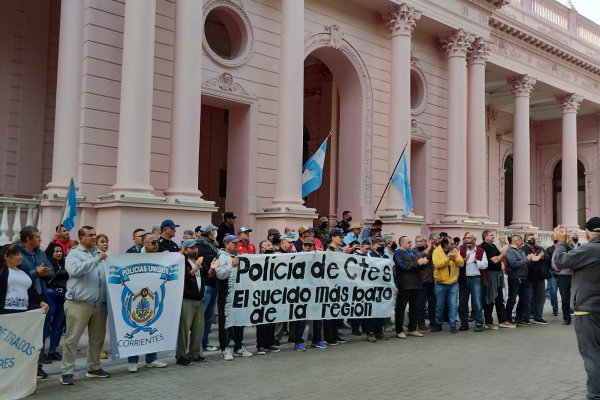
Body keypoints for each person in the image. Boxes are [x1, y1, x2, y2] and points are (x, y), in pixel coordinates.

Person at [553, 219, 600, 400]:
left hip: (587, 311)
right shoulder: (589, 251)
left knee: (592, 357)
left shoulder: (589, 249)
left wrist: (560, 243)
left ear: (587, 234)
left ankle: (595, 395)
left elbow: (560, 261)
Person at [60, 226, 110, 385]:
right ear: (81, 238)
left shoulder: (100, 254)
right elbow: (75, 271)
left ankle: (94, 367)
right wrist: (96, 260)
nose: (94, 237)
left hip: (99, 304)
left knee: (97, 339)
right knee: (72, 340)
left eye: (95, 234)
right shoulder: (74, 254)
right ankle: (66, 372)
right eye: (89, 235)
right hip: (79, 303)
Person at [0, 244, 49, 380]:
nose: (20, 257)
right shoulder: (3, 271)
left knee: (18, 345)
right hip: (6, 314)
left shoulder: (22, 271)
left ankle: (17, 375)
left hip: (23, 314)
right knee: (5, 346)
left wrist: (40, 301)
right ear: (6, 257)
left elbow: (30, 290)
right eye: (16, 255)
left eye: (20, 254)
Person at [127, 233, 167, 372]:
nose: (156, 244)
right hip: (136, 296)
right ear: (145, 244)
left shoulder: (160, 257)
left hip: (152, 296)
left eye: (157, 242)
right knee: (133, 327)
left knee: (153, 325)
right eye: (153, 242)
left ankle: (151, 358)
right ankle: (133, 360)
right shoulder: (133, 255)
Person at [176, 239, 215, 366]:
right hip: (186, 299)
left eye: (196, 247)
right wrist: (196, 267)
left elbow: (206, 276)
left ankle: (194, 353)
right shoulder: (182, 261)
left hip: (199, 299)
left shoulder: (199, 262)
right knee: (184, 329)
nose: (195, 250)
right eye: (192, 248)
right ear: (186, 250)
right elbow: (185, 277)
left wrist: (212, 269)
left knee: (199, 329)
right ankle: (181, 355)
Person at [216, 234, 252, 360]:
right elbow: (220, 275)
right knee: (225, 321)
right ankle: (225, 348)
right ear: (226, 245)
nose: (237, 244)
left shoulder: (238, 255)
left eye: (237, 242)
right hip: (225, 293)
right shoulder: (221, 257)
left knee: (239, 319)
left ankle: (238, 346)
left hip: (238, 292)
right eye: (234, 243)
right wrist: (231, 265)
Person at [479, 230, 514, 329]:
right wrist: (504, 250)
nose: (493, 236)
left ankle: (503, 320)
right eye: (491, 235)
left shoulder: (493, 246)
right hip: (490, 274)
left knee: (499, 298)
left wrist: (504, 246)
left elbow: (500, 257)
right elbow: (496, 260)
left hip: (498, 274)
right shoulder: (484, 246)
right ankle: (488, 321)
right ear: (485, 237)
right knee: (490, 297)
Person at [394, 236, 427, 339]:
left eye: (410, 242)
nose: (411, 244)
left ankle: (412, 329)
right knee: (401, 309)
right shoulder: (398, 253)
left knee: (415, 308)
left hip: (416, 284)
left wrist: (423, 264)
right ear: (402, 243)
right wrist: (418, 263)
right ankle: (399, 330)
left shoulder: (412, 252)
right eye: (408, 242)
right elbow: (403, 266)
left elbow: (416, 266)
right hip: (405, 285)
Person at [506, 235, 542, 326]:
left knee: (525, 299)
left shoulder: (520, 250)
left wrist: (534, 259)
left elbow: (525, 262)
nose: (523, 243)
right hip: (514, 278)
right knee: (512, 300)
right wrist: (527, 259)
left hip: (524, 278)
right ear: (516, 241)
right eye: (521, 241)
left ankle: (519, 318)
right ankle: (507, 319)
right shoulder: (510, 250)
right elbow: (513, 263)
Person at [42, 242, 69, 364]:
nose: (59, 253)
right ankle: (41, 353)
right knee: (47, 324)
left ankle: (53, 351)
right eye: (56, 251)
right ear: (51, 253)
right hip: (50, 294)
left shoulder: (64, 263)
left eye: (60, 251)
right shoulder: (47, 263)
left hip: (62, 295)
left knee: (58, 323)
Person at [431, 237, 464, 333]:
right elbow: (437, 264)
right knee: (439, 305)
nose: (453, 245)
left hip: (453, 283)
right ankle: (438, 324)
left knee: (453, 305)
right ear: (445, 244)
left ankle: (452, 325)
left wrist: (454, 260)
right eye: (451, 243)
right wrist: (447, 259)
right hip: (440, 283)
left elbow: (461, 263)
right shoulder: (437, 251)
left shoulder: (454, 250)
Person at [255, 240, 282, 355]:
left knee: (271, 318)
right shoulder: (257, 260)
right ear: (261, 248)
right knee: (261, 320)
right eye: (267, 246)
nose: (270, 247)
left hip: (273, 292)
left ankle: (270, 343)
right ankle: (261, 345)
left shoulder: (275, 260)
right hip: (261, 293)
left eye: (271, 245)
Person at [458, 232, 488, 332]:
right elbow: (457, 264)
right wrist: (463, 260)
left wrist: (476, 261)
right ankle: (464, 323)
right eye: (465, 238)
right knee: (462, 303)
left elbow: (485, 265)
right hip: (463, 279)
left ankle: (479, 323)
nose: (466, 240)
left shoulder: (481, 250)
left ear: (474, 240)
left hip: (475, 279)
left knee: (477, 302)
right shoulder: (460, 249)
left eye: (469, 238)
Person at [197, 223, 220, 352]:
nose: (215, 232)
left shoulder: (212, 244)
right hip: (207, 284)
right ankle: (198, 343)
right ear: (209, 232)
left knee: (208, 317)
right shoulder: (202, 245)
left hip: (213, 284)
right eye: (213, 230)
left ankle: (205, 343)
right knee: (202, 316)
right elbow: (213, 261)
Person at [522, 233, 548, 324]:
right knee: (528, 298)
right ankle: (525, 317)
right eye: (530, 238)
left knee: (540, 298)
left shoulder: (539, 248)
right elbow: (529, 261)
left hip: (540, 277)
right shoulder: (523, 249)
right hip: (528, 276)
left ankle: (538, 317)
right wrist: (536, 258)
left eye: (534, 238)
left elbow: (544, 257)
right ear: (525, 240)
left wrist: (539, 257)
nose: (532, 240)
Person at [417, 234, 437, 330]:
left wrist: (433, 246)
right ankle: (421, 322)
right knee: (421, 304)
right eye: (417, 241)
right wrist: (429, 248)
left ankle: (433, 322)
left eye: (421, 241)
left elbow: (439, 254)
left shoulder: (431, 249)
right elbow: (418, 256)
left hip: (432, 280)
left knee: (433, 303)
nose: (418, 243)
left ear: (425, 242)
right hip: (422, 281)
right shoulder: (415, 250)